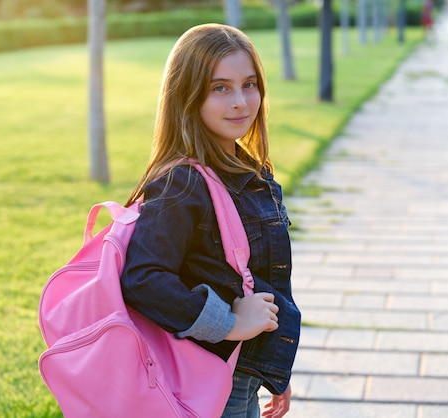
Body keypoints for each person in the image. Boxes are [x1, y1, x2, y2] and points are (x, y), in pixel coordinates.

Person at [120, 23, 301, 418]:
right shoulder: (182, 182)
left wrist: (275, 371)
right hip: (212, 380)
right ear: (188, 96)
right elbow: (143, 278)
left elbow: (265, 279)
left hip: (245, 374)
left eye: (249, 84)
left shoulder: (248, 171)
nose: (240, 101)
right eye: (220, 88)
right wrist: (229, 323)